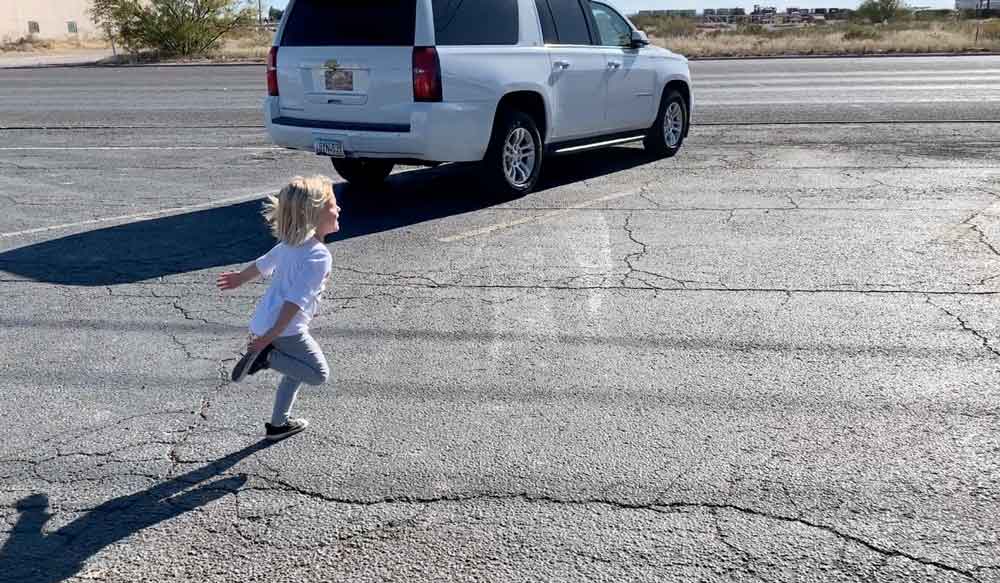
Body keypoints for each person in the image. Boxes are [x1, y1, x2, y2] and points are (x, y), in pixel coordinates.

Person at [216, 175, 339, 441]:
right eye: (333, 205)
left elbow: (262, 264)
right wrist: (268, 342)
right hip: (283, 329)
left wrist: (239, 278)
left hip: (266, 323)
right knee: (318, 374)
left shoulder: (291, 244)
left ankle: (278, 424)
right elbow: (294, 303)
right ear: (315, 213)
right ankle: (267, 358)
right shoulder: (318, 255)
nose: (338, 209)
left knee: (296, 370)